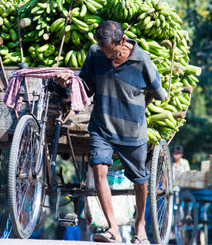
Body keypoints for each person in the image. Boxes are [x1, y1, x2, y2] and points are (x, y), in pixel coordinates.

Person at [56, 21, 166, 244]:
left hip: (132, 130)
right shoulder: (96, 53)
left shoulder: (141, 58)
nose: (107, 55)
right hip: (101, 125)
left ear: (122, 41)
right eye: (103, 50)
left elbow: (159, 93)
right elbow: (86, 85)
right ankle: (113, 228)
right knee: (98, 168)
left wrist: (138, 106)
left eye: (110, 51)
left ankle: (140, 224)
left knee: (140, 178)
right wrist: (68, 82)